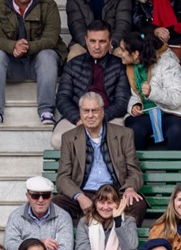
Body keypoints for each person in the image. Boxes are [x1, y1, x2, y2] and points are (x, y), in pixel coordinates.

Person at [0, 0, 62, 127]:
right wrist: (13, 46)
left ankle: (47, 110)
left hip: (39, 64)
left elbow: (51, 38)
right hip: (14, 63)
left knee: (48, 55)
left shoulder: (48, 4)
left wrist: (27, 47)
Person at [56, 92, 144, 226]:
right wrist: (79, 197)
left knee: (137, 204)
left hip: (115, 192)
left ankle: (124, 243)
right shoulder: (69, 138)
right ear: (80, 112)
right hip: (84, 192)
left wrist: (129, 188)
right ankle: (66, 244)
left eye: (94, 110)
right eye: (86, 111)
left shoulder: (124, 134)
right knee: (55, 205)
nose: (90, 115)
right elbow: (62, 177)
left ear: (102, 112)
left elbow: (135, 171)